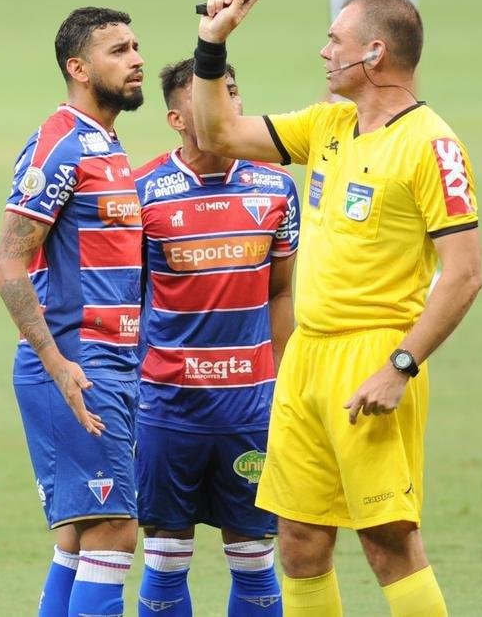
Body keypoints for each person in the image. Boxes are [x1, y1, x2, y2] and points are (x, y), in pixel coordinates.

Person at [190, 0, 482, 616]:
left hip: (374, 360)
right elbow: (217, 133)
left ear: (373, 53)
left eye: (334, 40)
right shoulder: (329, 123)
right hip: (306, 361)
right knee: (297, 541)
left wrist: (401, 367)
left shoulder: (431, 145)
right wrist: (212, 43)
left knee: (387, 539)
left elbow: (463, 274)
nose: (324, 52)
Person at [0, 7, 145, 617]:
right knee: (112, 533)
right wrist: (57, 363)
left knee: (81, 540)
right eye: (117, 51)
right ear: (77, 68)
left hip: (106, 363)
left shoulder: (103, 141)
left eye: (136, 46)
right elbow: (8, 266)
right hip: (78, 366)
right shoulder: (60, 144)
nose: (135, 59)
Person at [132, 58, 298, 616]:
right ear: (179, 117)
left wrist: (284, 384)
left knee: (254, 558)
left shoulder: (276, 187)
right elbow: (126, 301)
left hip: (249, 405)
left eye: (232, 92)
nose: (229, 104)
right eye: (212, 96)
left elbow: (281, 294)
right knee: (165, 557)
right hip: (167, 407)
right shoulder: (144, 193)